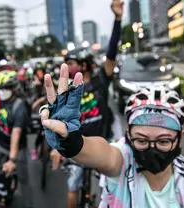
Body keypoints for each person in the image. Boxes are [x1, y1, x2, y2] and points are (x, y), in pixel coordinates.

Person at [40, 62, 184, 207]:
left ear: (180, 137)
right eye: (141, 140)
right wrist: (71, 141)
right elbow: (105, 154)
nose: (152, 149)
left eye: (164, 141)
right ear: (128, 135)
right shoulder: (123, 161)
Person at [48, 1, 122, 207]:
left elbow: (112, 54)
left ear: (83, 65)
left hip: (104, 144)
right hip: (79, 145)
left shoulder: (101, 81)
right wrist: (56, 146)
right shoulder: (68, 89)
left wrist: (117, 19)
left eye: (71, 64)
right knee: (72, 189)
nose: (67, 68)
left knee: (112, 193)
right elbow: (58, 120)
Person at [0, 34, 34, 208]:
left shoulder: (19, 107)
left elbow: (16, 133)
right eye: (0, 89)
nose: (2, 91)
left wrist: (11, 159)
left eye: (6, 88)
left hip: (16, 147)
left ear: (13, 88)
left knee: (24, 180)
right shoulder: (2, 97)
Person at [29, 66, 47, 160]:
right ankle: (35, 149)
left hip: (49, 108)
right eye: (38, 72)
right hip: (39, 111)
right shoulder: (34, 85)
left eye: (41, 72)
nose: (40, 74)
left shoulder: (47, 82)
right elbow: (32, 100)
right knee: (40, 133)